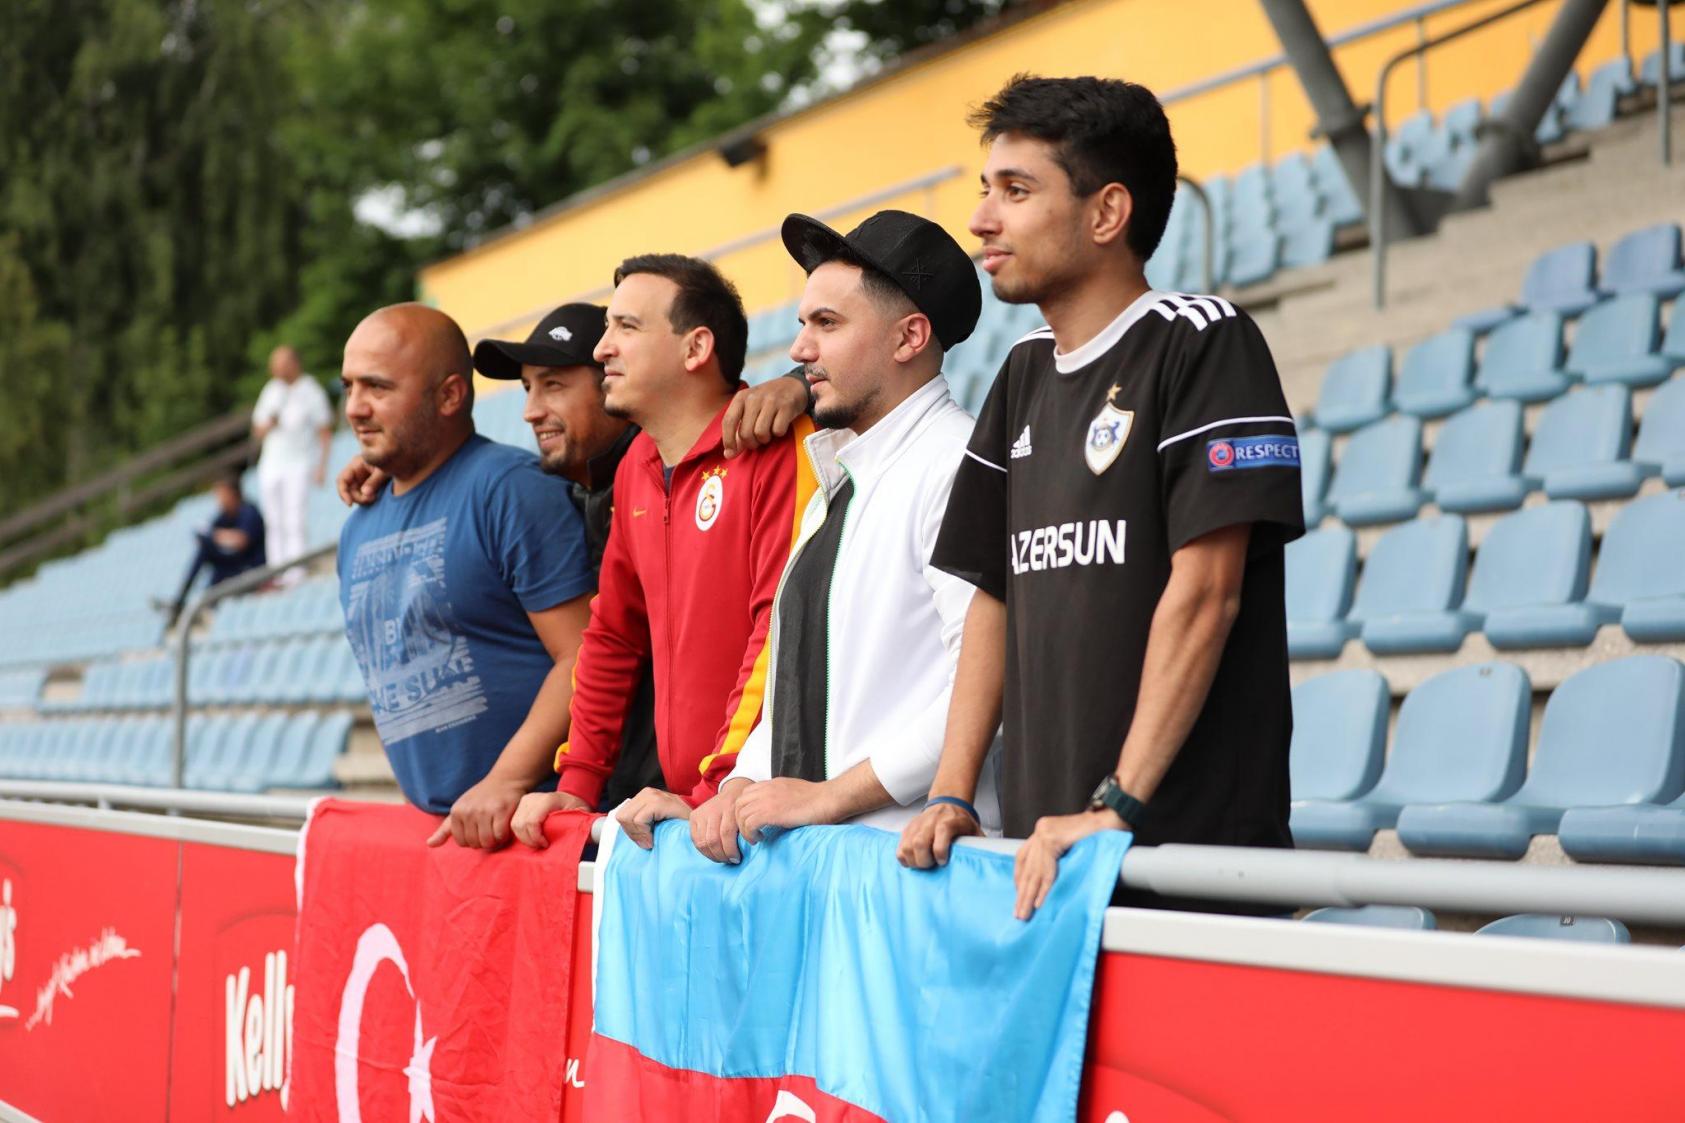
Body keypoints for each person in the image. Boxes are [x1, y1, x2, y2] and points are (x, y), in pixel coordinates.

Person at [896, 75, 1305, 919]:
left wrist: (1116, 803)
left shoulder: (1203, 341)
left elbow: (1206, 593)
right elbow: (990, 598)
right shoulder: (1020, 372)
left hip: (1181, 859)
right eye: (985, 188)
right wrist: (951, 791)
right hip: (1043, 853)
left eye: (1015, 190)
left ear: (1106, 212)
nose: (981, 218)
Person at [626, 209, 1003, 860]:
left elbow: (985, 686)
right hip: (829, 864)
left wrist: (829, 797)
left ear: (909, 337)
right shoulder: (837, 475)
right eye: (803, 323)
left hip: (915, 865)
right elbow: (793, 689)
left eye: (826, 323)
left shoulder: (956, 463)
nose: (799, 351)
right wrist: (734, 789)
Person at [337, 304, 812, 808]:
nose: (530, 410)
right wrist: (404, 468)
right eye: (527, 388)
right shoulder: (595, 488)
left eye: (554, 385)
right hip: (637, 800)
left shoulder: (670, 474)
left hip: (717, 796)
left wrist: (798, 384)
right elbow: (605, 644)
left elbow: (769, 626)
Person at [509, 255, 816, 846]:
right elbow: (612, 637)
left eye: (626, 327)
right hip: (697, 812)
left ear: (696, 348)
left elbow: (779, 627)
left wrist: (720, 785)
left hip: (764, 810)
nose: (602, 348)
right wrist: (578, 783)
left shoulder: (776, 446)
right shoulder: (638, 465)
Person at [337, 303, 596, 848]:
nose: (355, 407)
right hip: (447, 836)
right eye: (348, 387)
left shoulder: (511, 489)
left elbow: (585, 653)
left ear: (450, 395)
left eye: (377, 387)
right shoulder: (360, 519)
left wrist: (507, 779)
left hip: (536, 829)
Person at [252, 345, 333, 584]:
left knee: (294, 517)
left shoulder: (310, 390)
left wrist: (322, 466)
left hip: (299, 462)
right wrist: (269, 423)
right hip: (271, 463)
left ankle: (296, 571)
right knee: (273, 521)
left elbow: (324, 430)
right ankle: (277, 572)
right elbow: (258, 429)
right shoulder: (271, 391)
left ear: (294, 363)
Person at [164, 471, 267, 627]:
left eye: (221, 494)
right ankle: (185, 602)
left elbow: (241, 541)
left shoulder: (249, 511)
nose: (219, 499)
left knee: (208, 552)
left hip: (251, 568)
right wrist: (208, 537)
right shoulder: (224, 515)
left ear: (232, 493)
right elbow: (209, 532)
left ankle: (198, 605)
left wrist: (215, 536)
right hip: (234, 567)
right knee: (205, 551)